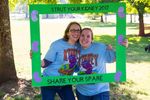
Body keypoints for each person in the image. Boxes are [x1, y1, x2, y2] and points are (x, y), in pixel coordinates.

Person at [76, 28, 128, 100]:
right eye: (82, 35)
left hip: (100, 90)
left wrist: (123, 47)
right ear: (79, 37)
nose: (85, 38)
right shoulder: (75, 50)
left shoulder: (100, 47)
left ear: (92, 39)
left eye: (88, 36)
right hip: (82, 91)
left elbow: (114, 58)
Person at [35, 22, 81, 100]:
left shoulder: (80, 46)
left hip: (65, 82)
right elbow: (45, 63)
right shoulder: (57, 44)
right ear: (67, 33)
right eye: (72, 30)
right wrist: (35, 58)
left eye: (78, 30)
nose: (75, 32)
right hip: (49, 81)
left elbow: (77, 67)